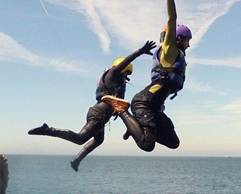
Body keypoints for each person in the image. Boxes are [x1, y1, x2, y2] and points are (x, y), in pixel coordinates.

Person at [28, 40, 156, 171]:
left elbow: (117, 102)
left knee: (99, 140)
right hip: (98, 114)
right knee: (80, 138)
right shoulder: (112, 74)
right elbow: (126, 61)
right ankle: (47, 130)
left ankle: (76, 161)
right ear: (121, 68)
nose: (126, 77)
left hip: (102, 115)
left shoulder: (117, 84)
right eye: (126, 72)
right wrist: (140, 51)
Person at [108, 0, 191, 152]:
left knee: (173, 143)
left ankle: (138, 125)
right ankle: (122, 111)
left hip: (155, 108)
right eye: (187, 40)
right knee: (147, 145)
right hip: (144, 102)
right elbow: (172, 18)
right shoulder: (170, 50)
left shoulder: (177, 56)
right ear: (178, 38)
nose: (189, 44)